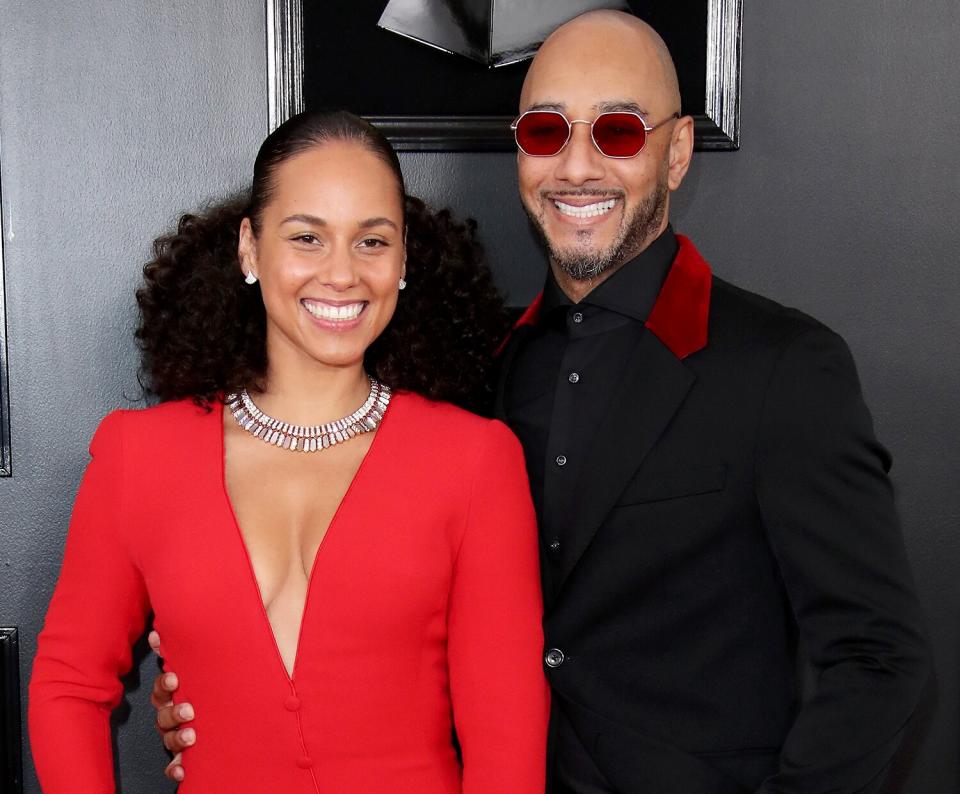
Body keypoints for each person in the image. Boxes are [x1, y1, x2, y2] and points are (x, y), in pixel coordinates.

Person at [152, 10, 931, 794]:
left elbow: (879, 659)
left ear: (678, 152)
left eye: (619, 132)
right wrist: (218, 697)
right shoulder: (471, 372)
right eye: (546, 132)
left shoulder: (783, 367)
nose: (577, 166)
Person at [28, 109, 549, 793]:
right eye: (308, 237)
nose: (342, 274)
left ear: (404, 261)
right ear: (250, 248)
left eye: (372, 241)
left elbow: (506, 739)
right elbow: (68, 684)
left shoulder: (475, 461)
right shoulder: (140, 456)